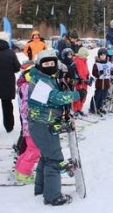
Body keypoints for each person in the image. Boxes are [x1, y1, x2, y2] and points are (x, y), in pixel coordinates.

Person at [28, 49, 83, 206]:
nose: (50, 66)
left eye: (52, 63)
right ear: (39, 65)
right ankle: (53, 196)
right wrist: (76, 94)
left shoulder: (45, 78)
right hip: (42, 124)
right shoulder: (40, 82)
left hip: (43, 123)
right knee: (54, 159)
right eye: (46, 64)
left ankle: (41, 189)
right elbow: (55, 98)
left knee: (46, 157)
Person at [15, 63, 40, 183]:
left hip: (28, 124)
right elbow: (27, 107)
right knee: (34, 150)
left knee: (29, 149)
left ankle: (19, 169)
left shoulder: (26, 86)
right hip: (31, 124)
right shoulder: (28, 88)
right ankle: (24, 174)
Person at [89, 48, 113, 114]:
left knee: (104, 95)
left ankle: (100, 107)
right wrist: (99, 73)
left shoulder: (108, 63)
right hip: (100, 82)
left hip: (106, 82)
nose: (103, 57)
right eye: (101, 55)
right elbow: (94, 73)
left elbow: (111, 70)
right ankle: (93, 107)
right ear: (99, 56)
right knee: (98, 95)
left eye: (104, 55)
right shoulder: (97, 64)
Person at [72, 47, 91, 116]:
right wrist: (81, 79)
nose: (85, 57)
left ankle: (79, 109)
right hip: (80, 81)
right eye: (85, 55)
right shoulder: (77, 61)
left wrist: (88, 76)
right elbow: (78, 72)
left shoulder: (84, 61)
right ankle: (75, 109)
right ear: (81, 55)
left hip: (85, 81)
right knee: (79, 95)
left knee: (84, 95)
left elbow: (86, 70)